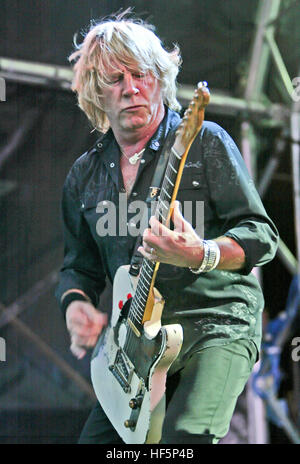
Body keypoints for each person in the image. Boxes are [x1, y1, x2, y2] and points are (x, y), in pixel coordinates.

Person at [55, 11, 279, 444]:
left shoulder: (204, 141)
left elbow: (260, 233)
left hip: (216, 324)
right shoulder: (84, 176)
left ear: (161, 79)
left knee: (187, 438)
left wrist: (201, 253)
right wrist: (75, 306)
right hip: (135, 350)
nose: (131, 89)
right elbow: (78, 267)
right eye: (115, 79)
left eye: (141, 75)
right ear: (96, 92)